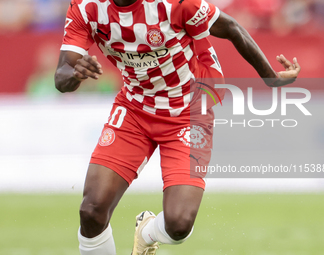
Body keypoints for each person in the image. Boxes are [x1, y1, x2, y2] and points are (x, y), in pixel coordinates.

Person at [54, 0, 301, 254]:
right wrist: (74, 73)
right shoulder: (86, 7)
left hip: (189, 111)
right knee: (92, 210)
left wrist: (270, 77)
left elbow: (232, 27)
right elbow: (62, 77)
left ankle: (147, 230)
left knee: (179, 224)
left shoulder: (175, 3)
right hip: (134, 109)